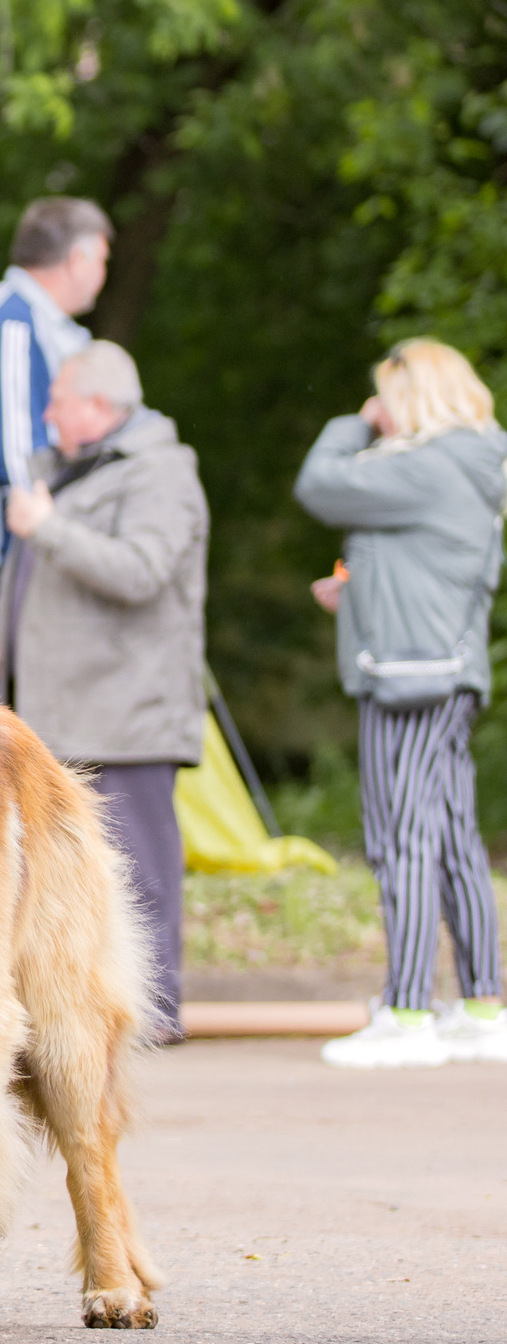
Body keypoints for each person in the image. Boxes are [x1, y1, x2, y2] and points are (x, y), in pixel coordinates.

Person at [0, 341, 208, 1040]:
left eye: (59, 401)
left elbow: (141, 570)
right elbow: (33, 570)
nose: (47, 414)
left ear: (99, 405)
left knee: (139, 874)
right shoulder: (65, 471)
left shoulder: (160, 473)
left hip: (127, 711)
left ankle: (153, 1017)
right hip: (60, 712)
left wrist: (49, 527)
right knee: (60, 876)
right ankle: (76, 1012)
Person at [294, 339, 507, 1068]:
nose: (380, 413)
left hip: (409, 676)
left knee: (401, 838)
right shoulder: (469, 463)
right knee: (451, 837)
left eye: (387, 398)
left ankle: (409, 1012)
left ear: (413, 397)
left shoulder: (427, 464)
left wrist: (353, 423)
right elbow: (426, 565)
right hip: (440, 667)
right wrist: (357, 594)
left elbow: (320, 484)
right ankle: (482, 1006)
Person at [0, 197, 112, 600]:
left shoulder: (40, 322)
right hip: (13, 554)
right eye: (103, 260)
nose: (104, 274)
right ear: (77, 259)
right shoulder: (12, 323)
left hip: (36, 547)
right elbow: (14, 452)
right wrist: (57, 531)